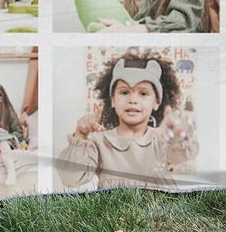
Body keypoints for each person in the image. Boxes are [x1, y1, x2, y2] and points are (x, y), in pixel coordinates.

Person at [56, 52, 198, 191]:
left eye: (143, 93)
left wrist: (177, 134)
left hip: (159, 212)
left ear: (156, 102)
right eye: (124, 92)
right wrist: (80, 135)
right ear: (112, 100)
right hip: (115, 213)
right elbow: (71, 179)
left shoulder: (160, 139)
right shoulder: (99, 142)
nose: (133, 100)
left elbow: (181, 156)